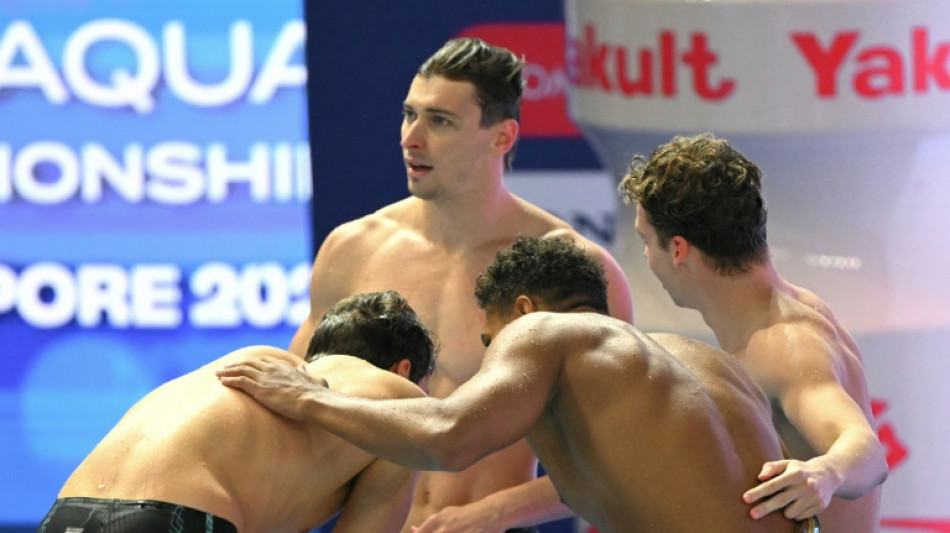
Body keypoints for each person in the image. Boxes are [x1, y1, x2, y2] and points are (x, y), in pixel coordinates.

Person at [219, 235, 819, 533]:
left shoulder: (543, 334)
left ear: (525, 311)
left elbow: (447, 436)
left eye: (493, 343)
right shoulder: (701, 363)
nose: (496, 361)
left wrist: (305, 397)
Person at [289, 37, 634, 532]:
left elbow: (617, 455)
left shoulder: (570, 269)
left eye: (440, 121)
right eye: (410, 114)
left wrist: (489, 515)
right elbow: (299, 407)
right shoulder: (353, 249)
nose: (412, 137)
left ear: (502, 137)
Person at [618, 133, 887, 531]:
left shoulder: (784, 344)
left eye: (646, 241)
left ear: (678, 249)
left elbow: (866, 451)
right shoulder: (784, 312)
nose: (645, 257)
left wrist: (825, 473)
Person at [38, 290, 435, 533]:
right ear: (404, 369)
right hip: (173, 517)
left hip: (66, 511)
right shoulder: (401, 400)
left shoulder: (254, 363)